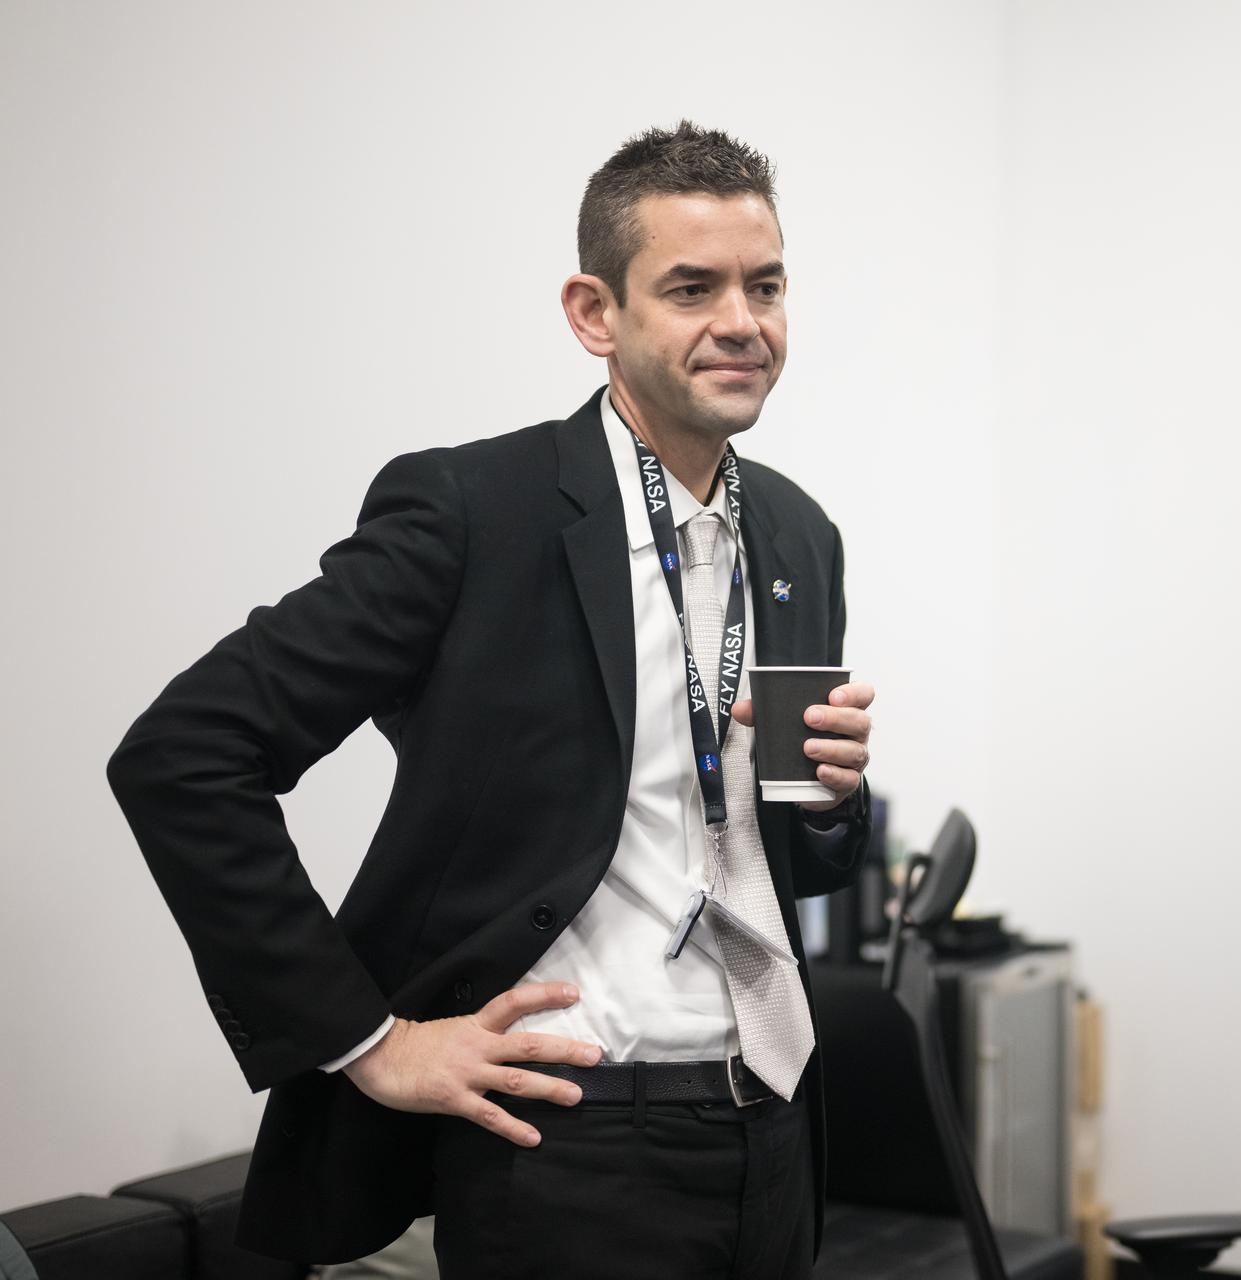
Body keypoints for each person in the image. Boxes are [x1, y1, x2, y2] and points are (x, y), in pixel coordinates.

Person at [108, 122, 875, 1280]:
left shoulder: (798, 536)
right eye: (692, 286)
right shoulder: (475, 512)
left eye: (765, 284)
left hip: (771, 1120)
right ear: (594, 313)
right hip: (566, 1143)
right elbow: (184, 753)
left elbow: (787, 852)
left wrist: (824, 803)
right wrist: (368, 1041)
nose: (742, 321)